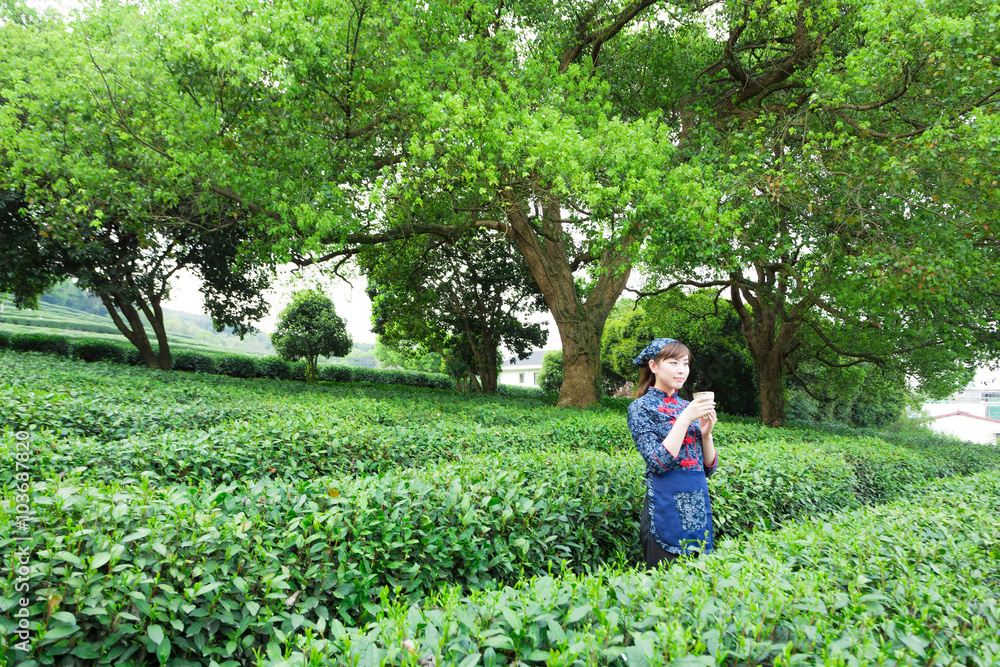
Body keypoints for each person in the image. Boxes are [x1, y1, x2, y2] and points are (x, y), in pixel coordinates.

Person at [626, 337, 718, 569]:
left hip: (697, 501)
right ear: (653, 366)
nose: (682, 370)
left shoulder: (686, 404)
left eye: (685, 363)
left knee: (699, 581)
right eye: (673, 363)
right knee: (664, 583)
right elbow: (658, 462)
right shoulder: (640, 408)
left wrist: (706, 435)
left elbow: (708, 469)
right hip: (663, 503)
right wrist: (686, 418)